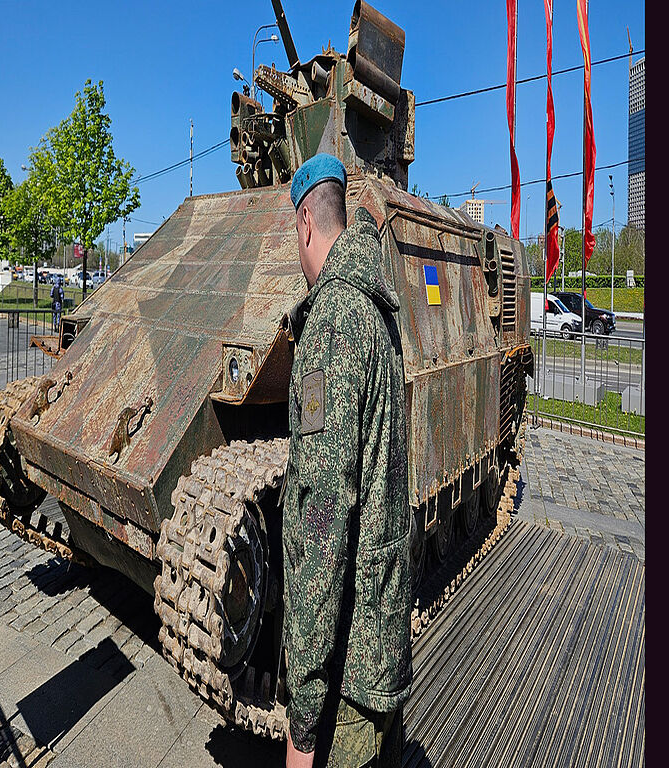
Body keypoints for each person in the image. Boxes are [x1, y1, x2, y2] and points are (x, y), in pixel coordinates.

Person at [282, 153, 412, 768]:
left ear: (306, 224)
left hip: (348, 667)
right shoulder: (377, 305)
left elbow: (322, 519)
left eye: (294, 235)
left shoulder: (333, 319)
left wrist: (303, 727)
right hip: (379, 634)